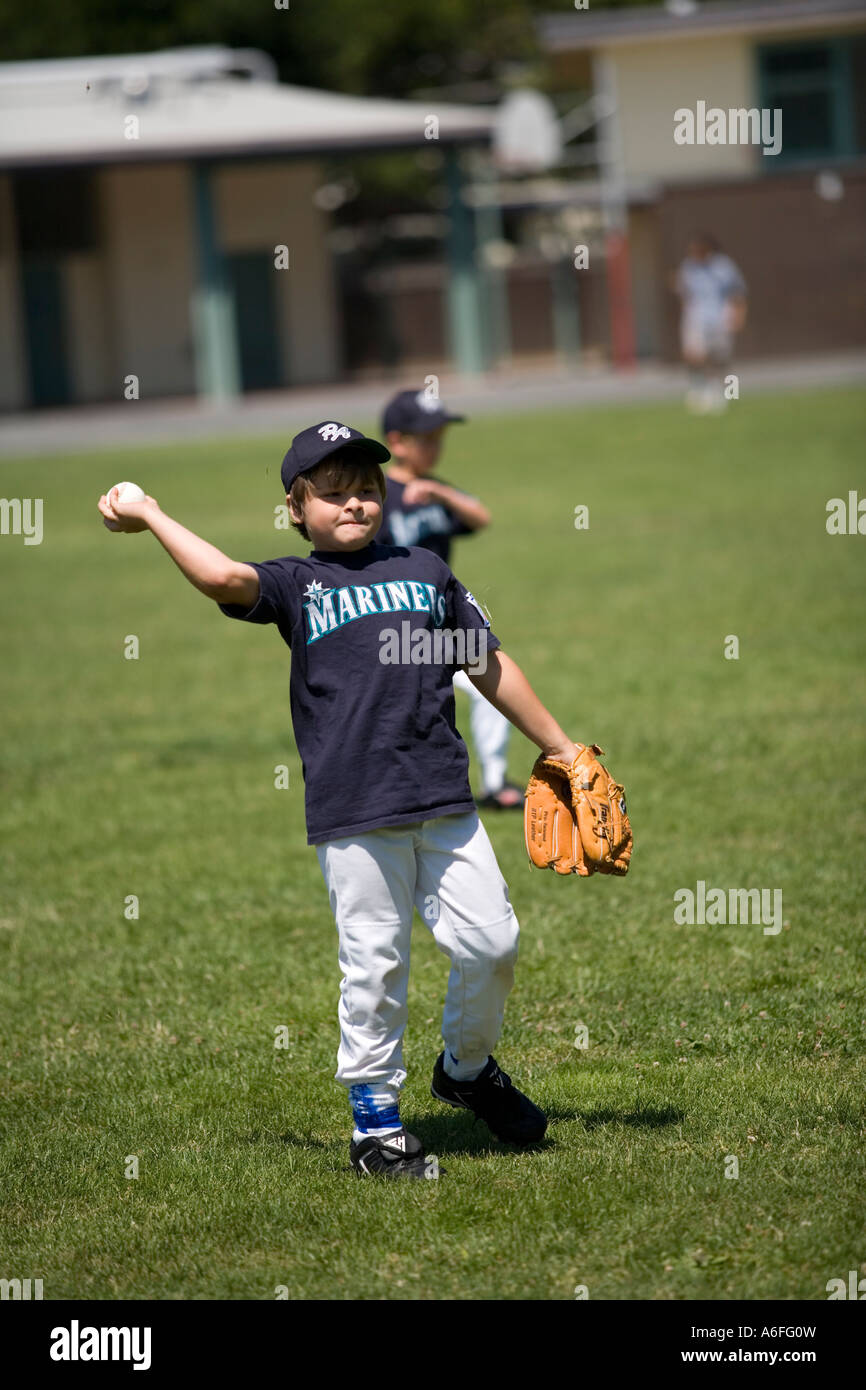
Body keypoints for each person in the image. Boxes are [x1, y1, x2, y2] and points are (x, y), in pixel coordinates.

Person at [97, 421, 586, 1180]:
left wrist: (560, 747)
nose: (354, 504)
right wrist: (153, 513)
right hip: (356, 813)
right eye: (333, 493)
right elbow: (225, 579)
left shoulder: (425, 570)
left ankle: (464, 1072)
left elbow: (484, 663)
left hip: (443, 799)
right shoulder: (300, 586)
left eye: (367, 489)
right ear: (296, 509)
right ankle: (376, 1129)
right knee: (376, 967)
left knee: (492, 945)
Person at [378, 387, 524, 810]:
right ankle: (405, 790)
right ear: (397, 442)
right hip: (399, 630)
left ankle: (495, 784)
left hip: (442, 625)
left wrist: (439, 493)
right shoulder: (380, 498)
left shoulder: (434, 490)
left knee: (489, 681)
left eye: (440, 437)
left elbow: (480, 517)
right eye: (426, 438)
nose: (436, 447)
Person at [671, 233, 747, 413]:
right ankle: (699, 391)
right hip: (696, 318)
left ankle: (729, 394)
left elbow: (737, 292)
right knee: (694, 355)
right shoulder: (688, 267)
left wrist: (739, 315)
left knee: (721, 358)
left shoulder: (723, 266)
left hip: (720, 317)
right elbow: (684, 291)